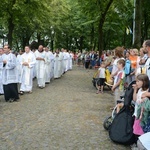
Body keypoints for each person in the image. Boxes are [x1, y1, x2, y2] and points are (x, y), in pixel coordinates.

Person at [132, 74, 149, 141]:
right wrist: (135, 90)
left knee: (141, 131)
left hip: (142, 116)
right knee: (136, 130)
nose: (137, 83)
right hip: (137, 113)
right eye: (136, 81)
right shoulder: (140, 90)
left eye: (138, 81)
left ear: (144, 82)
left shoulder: (147, 92)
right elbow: (134, 99)